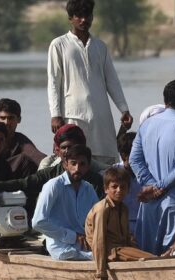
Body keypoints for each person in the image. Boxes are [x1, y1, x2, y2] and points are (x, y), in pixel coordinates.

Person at [47, 0, 133, 164]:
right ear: (70, 18)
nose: (83, 20)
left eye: (87, 15)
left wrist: (124, 109)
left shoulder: (100, 47)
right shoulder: (59, 45)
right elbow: (53, 82)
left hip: (101, 117)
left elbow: (112, 80)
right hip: (73, 115)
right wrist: (55, 115)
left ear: (92, 17)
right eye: (78, 16)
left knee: (105, 162)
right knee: (74, 160)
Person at [129, 79, 175, 255]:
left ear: (164, 100)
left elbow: (134, 160)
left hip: (149, 201)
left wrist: (151, 186)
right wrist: (159, 187)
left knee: (147, 255)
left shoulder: (146, 125)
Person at [0, 124, 105, 209]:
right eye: (63, 148)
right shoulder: (51, 174)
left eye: (71, 147)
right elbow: (25, 183)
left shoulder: (95, 179)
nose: (67, 152)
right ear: (58, 150)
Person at [85, 167, 155, 280]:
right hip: (111, 252)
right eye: (114, 187)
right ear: (106, 189)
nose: (119, 190)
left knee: (149, 257)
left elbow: (127, 237)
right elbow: (98, 242)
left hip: (121, 249)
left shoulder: (124, 208)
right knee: (152, 259)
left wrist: (135, 249)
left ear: (128, 189)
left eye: (123, 187)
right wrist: (102, 274)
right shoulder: (102, 209)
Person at [32, 144, 99, 260]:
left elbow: (98, 218)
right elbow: (38, 222)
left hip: (85, 245)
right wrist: (73, 236)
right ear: (65, 165)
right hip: (61, 248)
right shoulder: (53, 185)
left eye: (82, 164)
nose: (77, 168)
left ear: (88, 167)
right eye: (73, 163)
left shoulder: (89, 189)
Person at [114, 130, 141, 233]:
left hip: (145, 225)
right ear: (123, 156)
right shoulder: (113, 174)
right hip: (120, 226)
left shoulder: (149, 173)